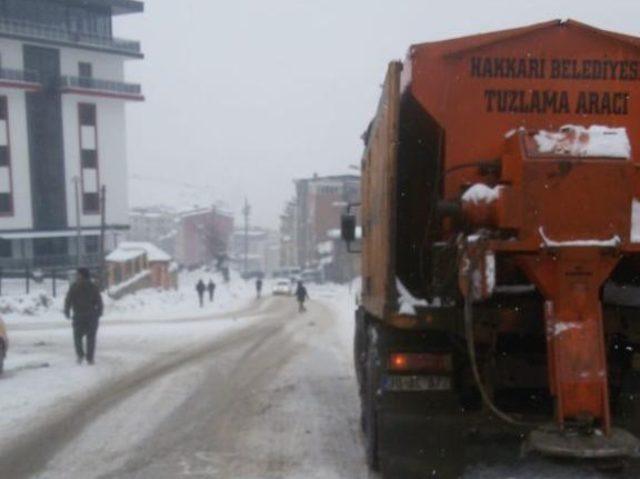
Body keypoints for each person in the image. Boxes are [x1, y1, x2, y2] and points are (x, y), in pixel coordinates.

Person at [64, 268, 103, 365]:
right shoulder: (93, 286)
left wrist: (67, 311)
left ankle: (80, 355)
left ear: (82, 275)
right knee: (91, 338)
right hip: (91, 315)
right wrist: (99, 312)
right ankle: (90, 358)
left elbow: (68, 300)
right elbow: (99, 301)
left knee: (77, 337)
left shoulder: (74, 286)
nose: (76, 276)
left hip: (78, 315)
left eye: (78, 274)